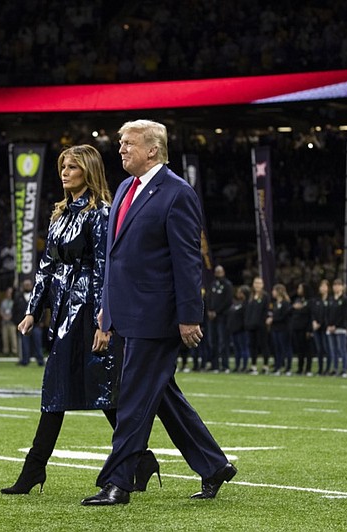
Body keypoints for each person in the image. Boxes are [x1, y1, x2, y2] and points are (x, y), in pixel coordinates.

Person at [82, 120, 235, 506]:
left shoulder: (177, 193)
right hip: (128, 312)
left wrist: (190, 315)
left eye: (128, 143)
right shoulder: (124, 188)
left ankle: (117, 482)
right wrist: (107, 309)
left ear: (153, 149)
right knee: (162, 396)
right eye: (119, 143)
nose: (120, 149)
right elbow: (117, 258)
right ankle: (213, 465)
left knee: (132, 399)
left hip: (157, 316)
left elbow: (187, 260)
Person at [2, 144, 160, 496]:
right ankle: (140, 459)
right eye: (62, 167)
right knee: (78, 389)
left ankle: (35, 469)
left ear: (87, 172)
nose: (64, 172)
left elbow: (107, 268)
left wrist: (106, 320)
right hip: (63, 309)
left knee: (93, 389)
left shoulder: (101, 213)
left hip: (88, 308)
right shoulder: (59, 215)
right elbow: (46, 265)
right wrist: (32, 310)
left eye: (72, 167)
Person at [206, 265, 233, 372]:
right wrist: (209, 310)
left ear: (223, 272)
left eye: (220, 272)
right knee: (212, 342)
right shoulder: (212, 285)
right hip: (211, 318)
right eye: (216, 272)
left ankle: (225, 365)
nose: (218, 274)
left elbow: (228, 301)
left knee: (223, 342)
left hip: (222, 318)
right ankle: (215, 365)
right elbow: (208, 298)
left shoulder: (227, 285)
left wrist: (216, 311)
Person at [245, 276, 270, 374]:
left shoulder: (265, 296)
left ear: (263, 285)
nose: (257, 285)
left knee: (263, 345)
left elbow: (265, 311)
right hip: (251, 326)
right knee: (252, 346)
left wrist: (262, 322)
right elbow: (247, 311)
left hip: (261, 326)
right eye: (256, 283)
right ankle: (254, 365)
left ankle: (265, 366)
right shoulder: (250, 296)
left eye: (259, 283)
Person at [326, 278, 347, 377]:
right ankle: (335, 368)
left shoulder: (344, 299)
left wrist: (336, 325)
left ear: (342, 287)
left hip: (340, 328)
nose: (336, 287)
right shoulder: (330, 299)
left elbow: (344, 315)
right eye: (335, 285)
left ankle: (344, 369)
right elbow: (327, 314)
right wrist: (329, 325)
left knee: (342, 349)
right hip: (330, 328)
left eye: (338, 285)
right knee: (333, 350)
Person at [268, 283, 292, 374]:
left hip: (284, 329)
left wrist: (273, 319)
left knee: (285, 348)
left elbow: (284, 316)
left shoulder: (286, 304)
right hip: (275, 329)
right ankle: (277, 366)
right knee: (277, 348)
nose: (272, 292)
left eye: (274, 290)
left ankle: (288, 368)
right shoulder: (274, 304)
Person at [290, 283, 312, 376]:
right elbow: (291, 311)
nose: (298, 290)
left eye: (300, 288)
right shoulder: (297, 300)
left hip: (305, 328)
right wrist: (294, 307)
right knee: (299, 350)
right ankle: (300, 368)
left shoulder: (310, 301)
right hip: (296, 328)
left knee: (308, 350)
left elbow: (310, 315)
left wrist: (309, 330)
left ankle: (308, 369)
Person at [228, 285, 250, 372]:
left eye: (240, 292)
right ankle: (237, 366)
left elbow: (246, 317)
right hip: (234, 330)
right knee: (236, 349)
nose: (238, 294)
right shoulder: (236, 303)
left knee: (243, 348)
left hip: (242, 330)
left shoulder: (247, 304)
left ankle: (244, 366)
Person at [311, 280, 330, 375]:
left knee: (327, 349)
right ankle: (320, 368)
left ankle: (328, 368)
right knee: (319, 350)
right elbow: (313, 313)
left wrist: (320, 323)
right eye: (321, 286)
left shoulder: (330, 300)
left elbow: (327, 314)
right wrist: (314, 322)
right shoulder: (316, 300)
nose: (322, 288)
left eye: (324, 286)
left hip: (325, 328)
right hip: (316, 328)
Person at [0, 287, 18, 357]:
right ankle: (5, 351)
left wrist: (10, 317)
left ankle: (14, 351)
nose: (9, 294)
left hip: (12, 322)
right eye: (8, 292)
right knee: (5, 338)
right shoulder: (3, 302)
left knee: (13, 337)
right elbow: (1, 311)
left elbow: (15, 311)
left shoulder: (14, 301)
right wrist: (4, 316)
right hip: (4, 322)